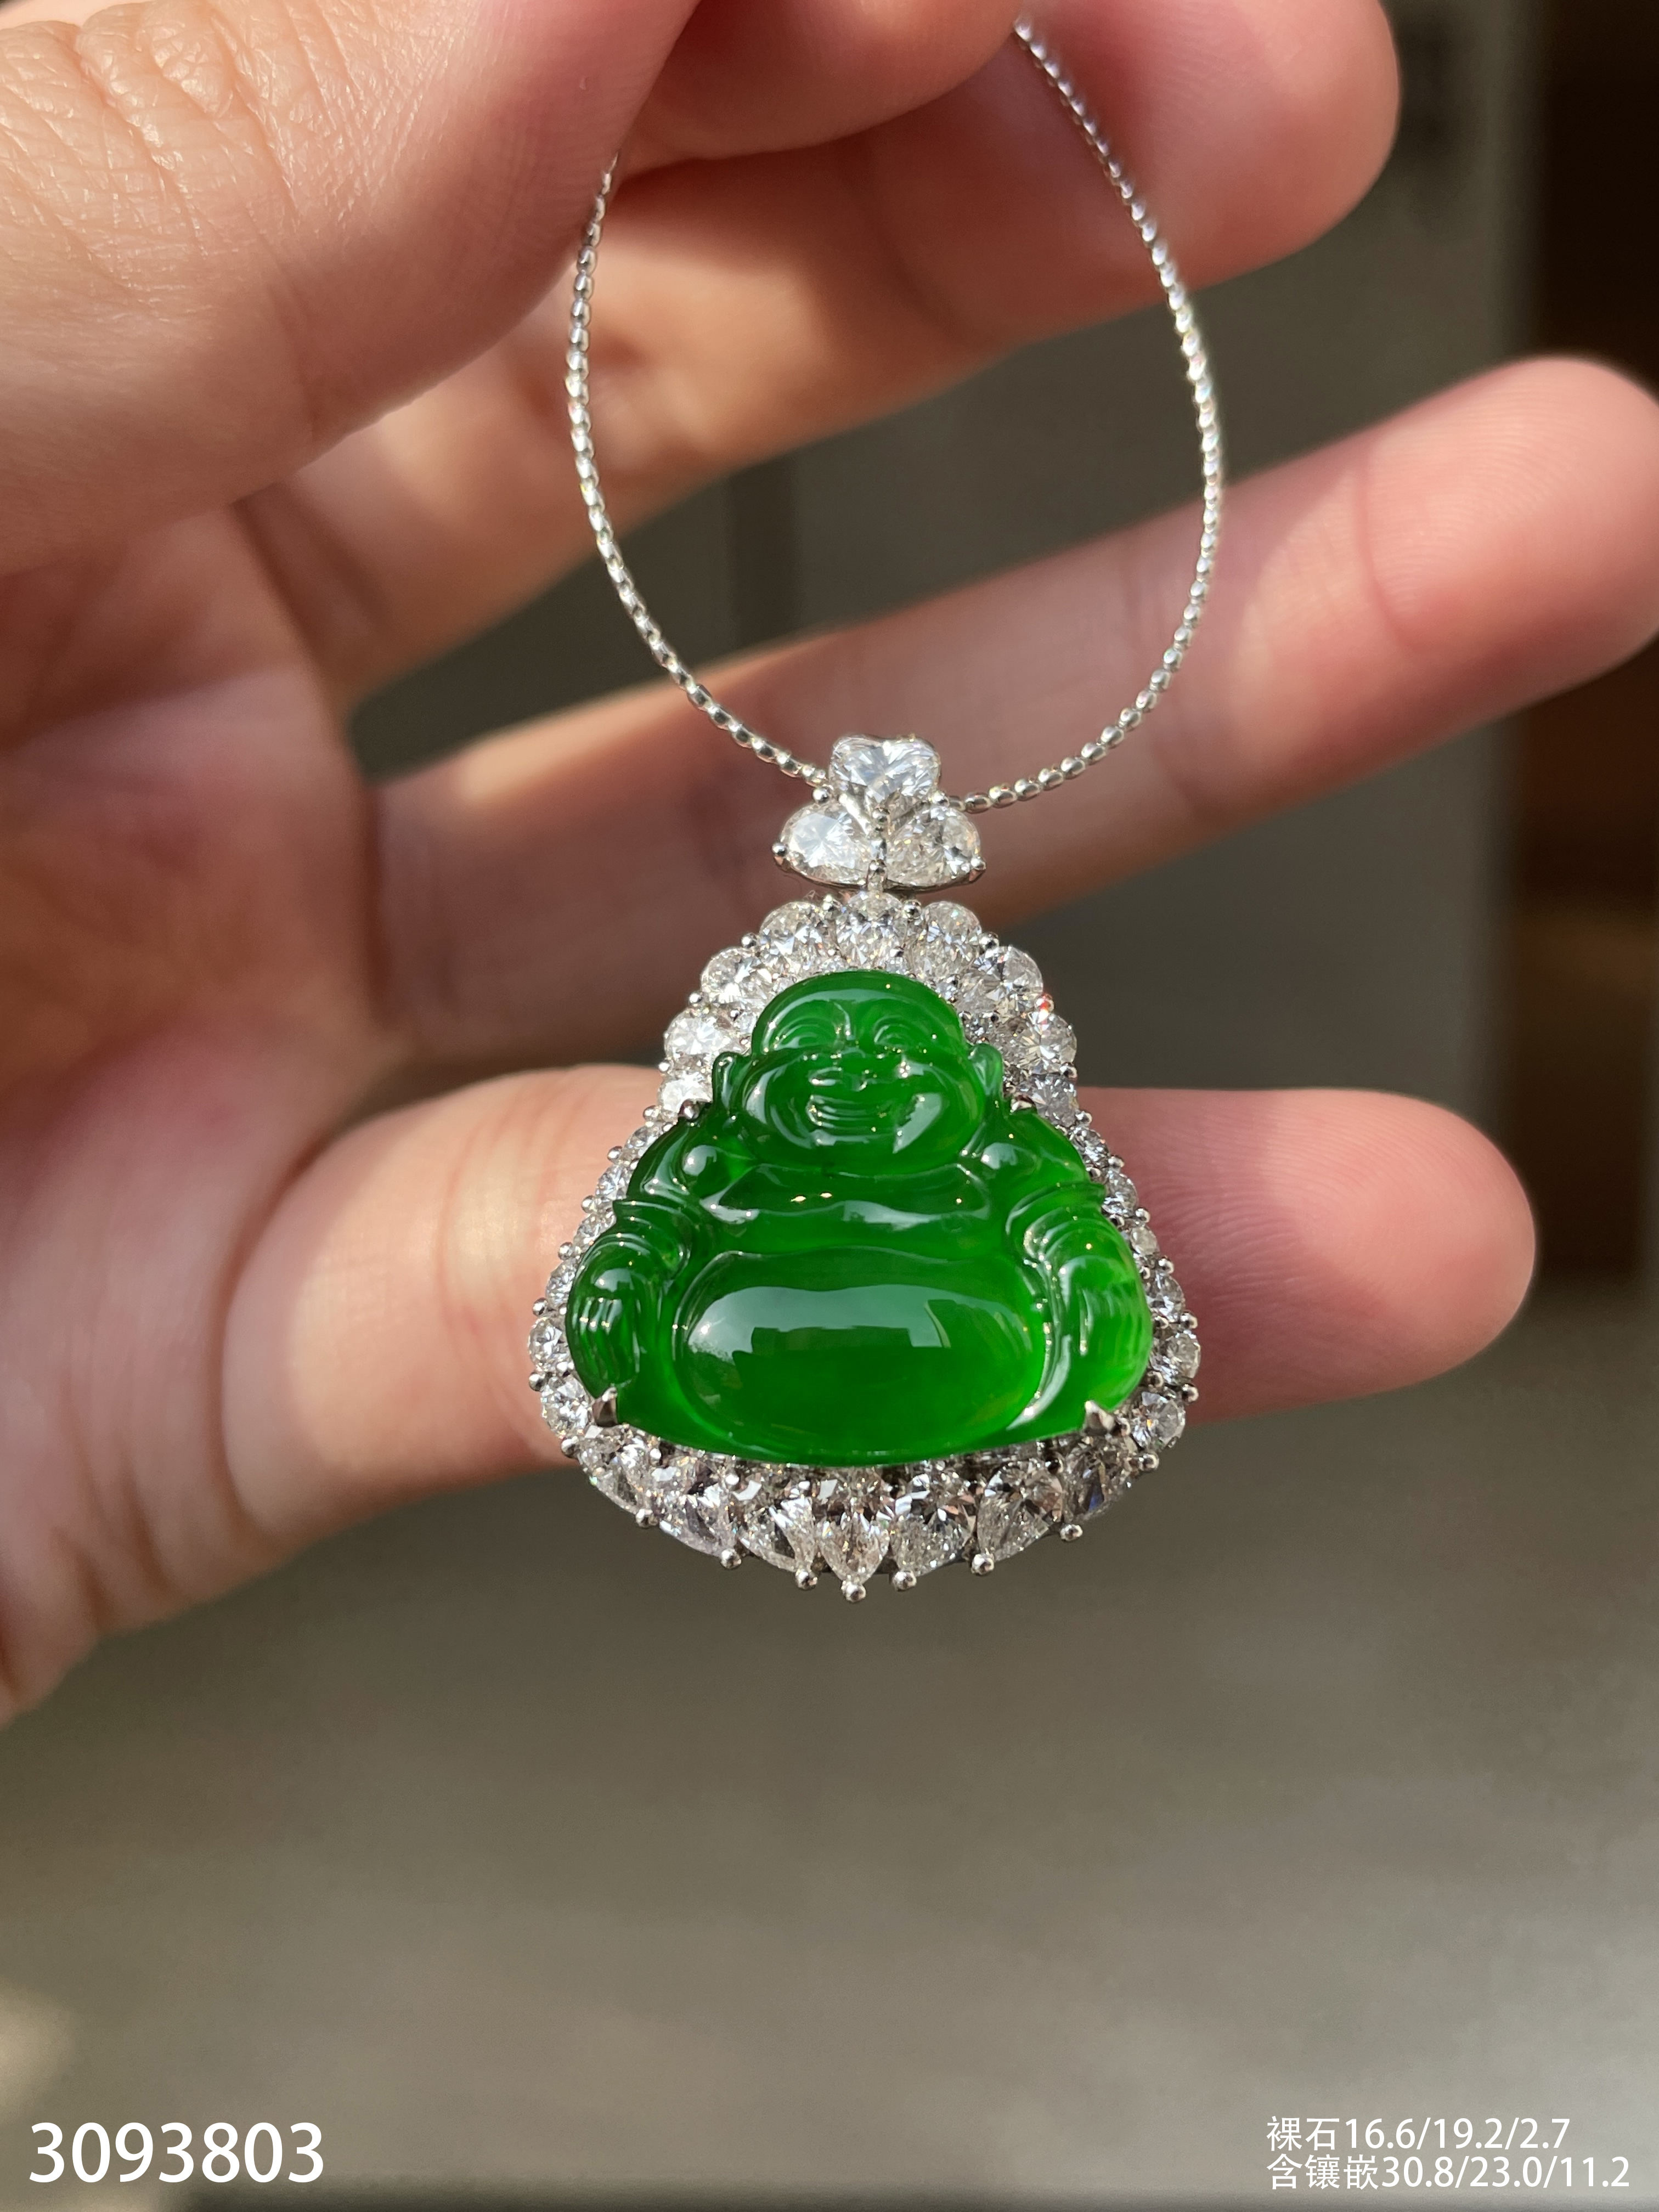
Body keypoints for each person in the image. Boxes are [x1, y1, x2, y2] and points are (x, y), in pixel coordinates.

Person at [0, 0, 1652, 1718]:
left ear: (976, 1068)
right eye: (821, 1056)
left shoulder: (1007, 1163)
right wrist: (648, 1284)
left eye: (891, 1056)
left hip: (963, 1334)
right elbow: (619, 1285)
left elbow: (1099, 1296)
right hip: (742, 1322)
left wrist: (1079, 1290)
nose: (854, 1077)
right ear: (749, 1068)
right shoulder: (714, 1168)